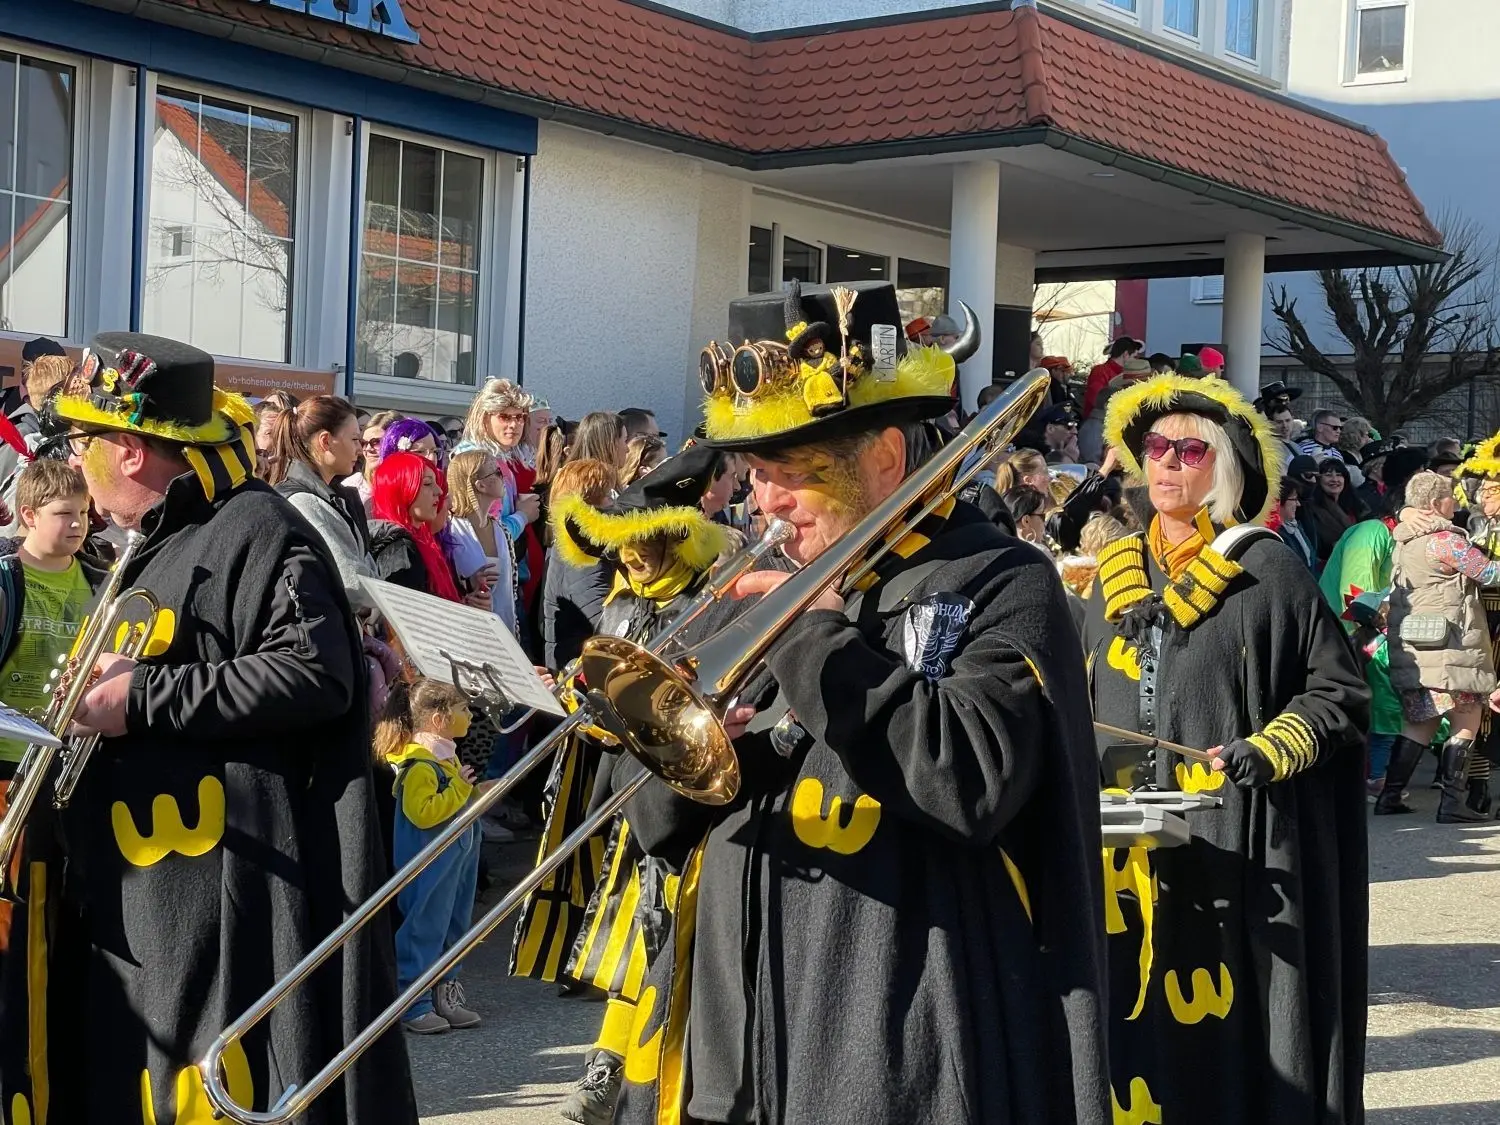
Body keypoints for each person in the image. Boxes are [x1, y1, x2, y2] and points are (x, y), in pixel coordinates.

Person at [613, 280, 1110, 1124]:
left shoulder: (1001, 581)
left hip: (899, 1035)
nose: (762, 502)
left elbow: (967, 781)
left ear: (884, 458)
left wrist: (817, 640)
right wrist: (687, 757)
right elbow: (651, 823)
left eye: (791, 475)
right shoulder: (753, 585)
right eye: (755, 473)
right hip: (740, 1029)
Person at [22, 331, 415, 1120]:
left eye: (86, 440)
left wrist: (140, 698)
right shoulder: (154, 544)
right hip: (144, 894)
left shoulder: (258, 529)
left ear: (131, 450)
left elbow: (317, 674)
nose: (78, 461)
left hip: (220, 900)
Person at [1085, 372, 1369, 1125]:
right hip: (1126, 849)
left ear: (1227, 469)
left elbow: (1338, 695)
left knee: (1228, 1040)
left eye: (1190, 449)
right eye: (1156, 446)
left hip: (1235, 838)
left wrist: (1266, 747)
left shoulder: (1268, 570)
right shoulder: (1107, 579)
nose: (1168, 463)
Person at [518, 443, 735, 1125]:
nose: (630, 561)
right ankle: (610, 1063)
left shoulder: (710, 602)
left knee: (662, 937)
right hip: (619, 793)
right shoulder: (619, 605)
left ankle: (623, 1068)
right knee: (628, 932)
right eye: (623, 550)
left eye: (642, 548)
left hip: (679, 796)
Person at [1380, 471, 1500, 823]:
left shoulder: (1404, 539)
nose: (1457, 502)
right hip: (1450, 645)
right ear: (1435, 504)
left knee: (1421, 722)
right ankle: (1452, 803)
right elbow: (1489, 573)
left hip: (1417, 644)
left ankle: (1389, 796)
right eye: (1449, 497)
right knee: (1467, 718)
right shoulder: (1446, 541)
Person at [375, 677, 489, 1034]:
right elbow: (423, 812)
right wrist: (460, 787)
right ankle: (413, 1001)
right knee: (424, 927)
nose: (469, 715)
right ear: (439, 718)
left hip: (457, 856)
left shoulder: (444, 755)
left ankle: (445, 991)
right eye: (462, 709)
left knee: (455, 926)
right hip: (430, 863)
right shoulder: (421, 765)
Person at [268, 394, 373, 593]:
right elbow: (352, 583)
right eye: (354, 439)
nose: (360, 449)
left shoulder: (331, 496)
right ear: (325, 441)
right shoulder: (304, 502)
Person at [540, 459, 617, 672]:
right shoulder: (583, 556)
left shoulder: (572, 544)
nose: (615, 503)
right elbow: (605, 626)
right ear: (590, 504)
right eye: (609, 496)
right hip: (576, 674)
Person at [446, 448, 525, 636]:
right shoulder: (450, 530)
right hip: (468, 634)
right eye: (497, 472)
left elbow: (510, 592)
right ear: (480, 486)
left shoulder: (501, 529)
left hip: (504, 633)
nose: (503, 476)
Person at [369, 450, 461, 600]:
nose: (438, 491)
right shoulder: (398, 549)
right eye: (427, 483)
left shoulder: (423, 539)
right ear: (401, 490)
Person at [1304, 458, 1364, 565]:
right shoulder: (1312, 510)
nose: (1334, 479)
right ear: (1318, 479)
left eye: (1339, 475)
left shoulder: (1357, 504)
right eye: (1328, 475)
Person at [345, 408, 401, 511]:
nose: (368, 449)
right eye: (364, 443)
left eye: (376, 442)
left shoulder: (418, 485)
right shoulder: (351, 487)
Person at [1082, 335, 1142, 417]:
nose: (1136, 360)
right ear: (1125, 354)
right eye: (1134, 357)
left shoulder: (1126, 374)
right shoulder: (1100, 371)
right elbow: (1097, 400)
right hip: (1099, 423)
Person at [1271, 477, 1318, 569]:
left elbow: (1311, 560)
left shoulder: (1296, 527)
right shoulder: (1275, 535)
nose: (1298, 504)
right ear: (1279, 501)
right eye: (1294, 499)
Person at [573, 411, 630, 479]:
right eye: (625, 440)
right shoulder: (598, 486)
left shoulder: (570, 479)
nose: (628, 449)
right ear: (610, 444)